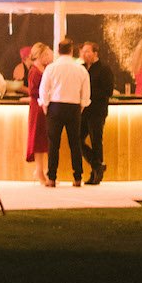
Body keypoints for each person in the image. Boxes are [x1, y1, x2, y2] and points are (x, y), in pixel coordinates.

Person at [38, 39, 91, 186]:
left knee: (53, 144)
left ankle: (52, 178)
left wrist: (45, 104)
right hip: (73, 107)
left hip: (55, 107)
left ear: (58, 50)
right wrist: (82, 105)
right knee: (75, 143)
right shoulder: (80, 69)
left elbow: (43, 89)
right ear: (71, 50)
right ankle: (78, 177)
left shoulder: (51, 68)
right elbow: (86, 92)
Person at [80, 42, 114, 183]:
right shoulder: (81, 69)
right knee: (77, 139)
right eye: (83, 51)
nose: (85, 54)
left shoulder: (104, 69)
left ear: (95, 53)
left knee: (96, 141)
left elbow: (108, 91)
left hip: (97, 110)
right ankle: (97, 165)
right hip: (83, 111)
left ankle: (96, 174)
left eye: (88, 51)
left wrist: (90, 95)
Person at [24, 42, 52, 183]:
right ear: (39, 55)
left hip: (44, 106)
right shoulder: (34, 71)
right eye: (46, 54)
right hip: (37, 108)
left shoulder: (45, 69)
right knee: (38, 140)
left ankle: (42, 171)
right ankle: (39, 172)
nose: (49, 56)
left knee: (44, 140)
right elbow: (33, 91)